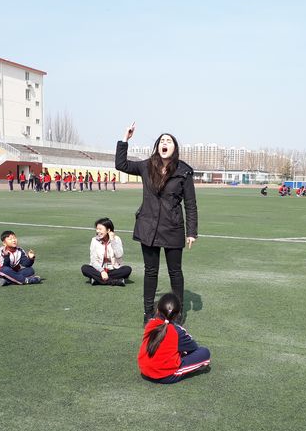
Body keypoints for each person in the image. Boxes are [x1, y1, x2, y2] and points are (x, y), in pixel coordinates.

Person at [116, 122, 198, 323]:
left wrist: (191, 232)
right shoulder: (146, 165)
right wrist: (125, 139)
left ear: (174, 148)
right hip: (148, 227)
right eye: (162, 140)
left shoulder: (184, 171)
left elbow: (190, 203)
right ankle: (148, 313)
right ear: (157, 146)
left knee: (175, 272)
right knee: (150, 271)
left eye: (169, 141)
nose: (165, 143)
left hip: (173, 228)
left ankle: (177, 315)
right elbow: (121, 165)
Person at [137, 293, 210, 384]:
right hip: (165, 375)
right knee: (204, 352)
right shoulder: (177, 331)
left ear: (158, 310)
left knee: (178, 350)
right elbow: (193, 347)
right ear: (178, 314)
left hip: (144, 370)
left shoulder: (150, 324)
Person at [81, 218, 132, 286]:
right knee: (85, 268)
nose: (98, 231)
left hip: (113, 270)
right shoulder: (94, 240)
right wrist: (102, 271)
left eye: (100, 229)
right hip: (98, 270)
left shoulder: (117, 239)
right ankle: (115, 281)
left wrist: (113, 241)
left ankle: (97, 280)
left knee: (127, 269)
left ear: (108, 230)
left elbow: (119, 255)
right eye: (97, 229)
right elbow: (93, 260)